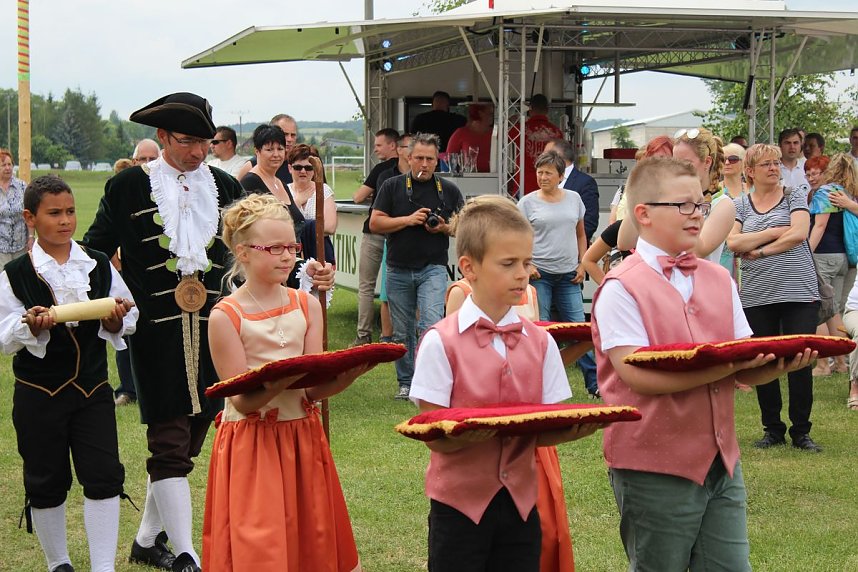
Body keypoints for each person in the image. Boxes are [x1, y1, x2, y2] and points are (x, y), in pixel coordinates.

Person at [83, 92, 333, 572]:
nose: (199, 152)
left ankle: (146, 540)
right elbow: (94, 251)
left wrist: (304, 273)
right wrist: (111, 299)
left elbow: (257, 245)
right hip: (155, 335)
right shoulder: (128, 186)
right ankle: (186, 554)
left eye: (205, 141)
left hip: (219, 329)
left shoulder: (224, 184)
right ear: (162, 137)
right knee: (169, 440)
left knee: (192, 439)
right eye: (187, 141)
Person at [592, 157, 817, 571]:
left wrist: (779, 364)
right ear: (644, 213)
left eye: (701, 204)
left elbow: (742, 358)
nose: (697, 214)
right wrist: (728, 368)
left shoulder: (718, 278)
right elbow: (636, 375)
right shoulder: (621, 286)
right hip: (652, 464)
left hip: (722, 461)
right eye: (684, 205)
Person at [410, 194, 601, 572]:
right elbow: (433, 434)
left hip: (522, 504)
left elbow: (544, 425)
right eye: (508, 263)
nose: (522, 274)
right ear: (469, 267)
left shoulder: (541, 342)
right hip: (459, 507)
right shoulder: (440, 342)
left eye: (526, 262)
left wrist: (576, 427)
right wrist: (473, 434)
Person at [202, 194, 368, 571]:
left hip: (301, 437)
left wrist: (346, 376)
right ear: (243, 252)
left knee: (311, 537)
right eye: (274, 248)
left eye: (292, 247)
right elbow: (242, 401)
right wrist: (282, 380)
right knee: (261, 542)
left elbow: (310, 391)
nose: (287, 257)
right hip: (253, 442)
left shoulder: (306, 305)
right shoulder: (226, 316)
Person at [0, 175, 138, 572]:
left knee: (103, 474)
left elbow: (128, 314)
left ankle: (102, 567)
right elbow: (4, 335)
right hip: (39, 392)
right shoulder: (16, 273)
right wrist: (30, 325)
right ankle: (58, 562)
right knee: (45, 478)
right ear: (30, 218)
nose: (65, 221)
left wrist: (115, 319)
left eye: (71, 211)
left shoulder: (97, 263)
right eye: (54, 213)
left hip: (92, 388)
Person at [726, 143, 822, 452]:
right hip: (757, 295)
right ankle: (773, 429)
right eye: (766, 163)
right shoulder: (741, 204)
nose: (773, 168)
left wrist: (760, 251)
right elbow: (732, 243)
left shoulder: (794, 195)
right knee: (763, 360)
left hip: (798, 291)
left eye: (776, 163)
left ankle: (801, 431)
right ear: (750, 171)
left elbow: (799, 233)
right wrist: (773, 232)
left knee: (800, 360)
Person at [370, 132, 464, 399]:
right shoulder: (392, 186)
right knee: (402, 331)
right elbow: (375, 223)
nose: (424, 164)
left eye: (430, 159)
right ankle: (406, 382)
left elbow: (464, 227)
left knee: (431, 324)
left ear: (437, 161)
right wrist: (408, 220)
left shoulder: (449, 190)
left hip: (433, 267)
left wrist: (444, 228)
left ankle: (430, 381)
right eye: (419, 158)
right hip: (398, 267)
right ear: (408, 157)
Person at [518, 151, 598, 398]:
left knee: (579, 330)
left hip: (569, 275)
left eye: (548, 173)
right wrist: (527, 264)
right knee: (540, 331)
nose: (542, 177)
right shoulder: (527, 203)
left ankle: (594, 384)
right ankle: (540, 384)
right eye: (539, 172)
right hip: (539, 275)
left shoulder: (574, 199)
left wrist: (583, 263)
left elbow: (581, 234)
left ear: (561, 176)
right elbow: (518, 237)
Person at [809, 154, 857, 376]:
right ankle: (841, 362)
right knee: (834, 309)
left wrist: (806, 253)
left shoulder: (826, 192)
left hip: (823, 255)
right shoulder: (850, 194)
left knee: (818, 308)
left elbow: (820, 226)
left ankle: (822, 365)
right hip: (843, 257)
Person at [352, 128, 400, 346]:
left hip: (374, 234)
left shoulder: (381, 169)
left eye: (379, 145)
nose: (375, 149)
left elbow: (357, 197)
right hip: (397, 234)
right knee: (396, 287)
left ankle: (363, 335)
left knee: (366, 286)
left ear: (393, 145)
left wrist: (373, 194)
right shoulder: (409, 171)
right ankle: (394, 334)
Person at [240, 124, 306, 243]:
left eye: (280, 149)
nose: (276, 154)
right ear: (257, 151)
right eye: (269, 150)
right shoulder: (250, 182)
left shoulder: (281, 184)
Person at [544, 138, 599, 242]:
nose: (542, 159)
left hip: (572, 247)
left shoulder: (585, 182)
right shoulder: (545, 179)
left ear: (558, 156)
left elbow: (589, 222)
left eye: (545, 155)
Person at [509, 94, 563, 197]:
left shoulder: (520, 129)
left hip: (525, 184)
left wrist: (511, 122)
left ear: (530, 109)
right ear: (547, 110)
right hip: (549, 185)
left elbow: (501, 137)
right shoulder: (557, 132)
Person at [236, 114, 297, 182]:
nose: (289, 139)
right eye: (285, 134)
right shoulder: (251, 166)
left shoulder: (300, 166)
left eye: (293, 135)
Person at [0, 148, 32, 266]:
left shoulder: (22, 187)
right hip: (1, 248)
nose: (8, 168)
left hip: (21, 246)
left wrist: (31, 237)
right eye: (4, 165)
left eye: (10, 164)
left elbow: (30, 214)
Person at [446, 103, 494, 172]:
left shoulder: (496, 133)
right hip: (468, 175)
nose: (493, 116)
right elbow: (450, 157)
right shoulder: (461, 133)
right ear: (480, 113)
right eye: (490, 114)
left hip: (496, 175)